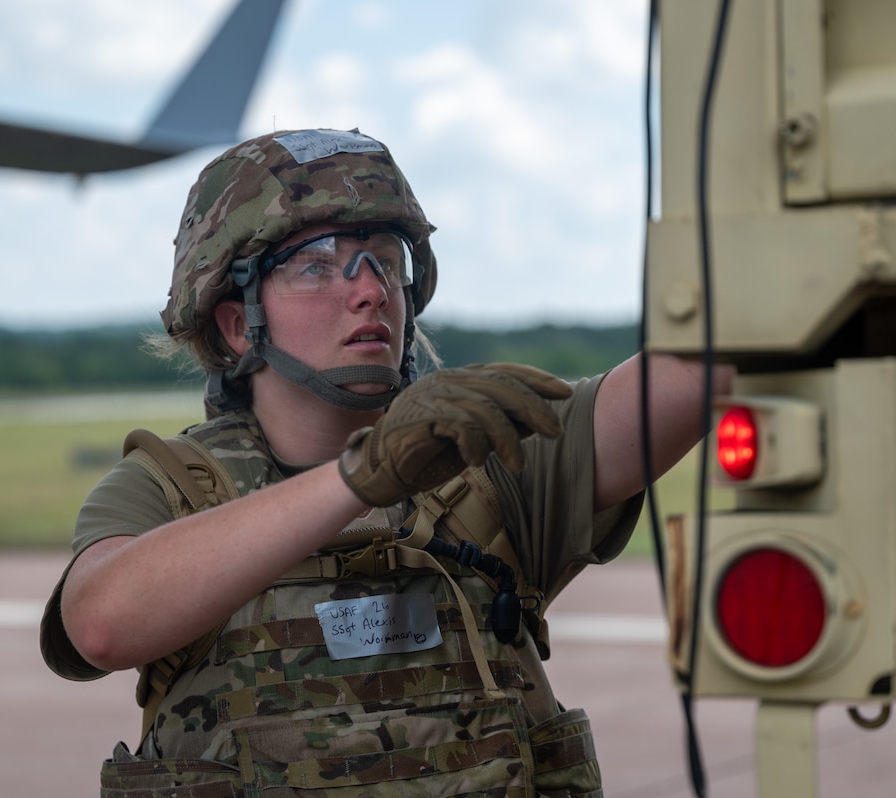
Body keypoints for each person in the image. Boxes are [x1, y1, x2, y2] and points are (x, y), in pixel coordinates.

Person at [40, 127, 732, 796]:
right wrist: (356, 480)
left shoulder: (490, 461)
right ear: (236, 321)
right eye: (316, 265)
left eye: (385, 261)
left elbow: (705, 364)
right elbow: (100, 625)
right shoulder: (171, 488)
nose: (369, 289)